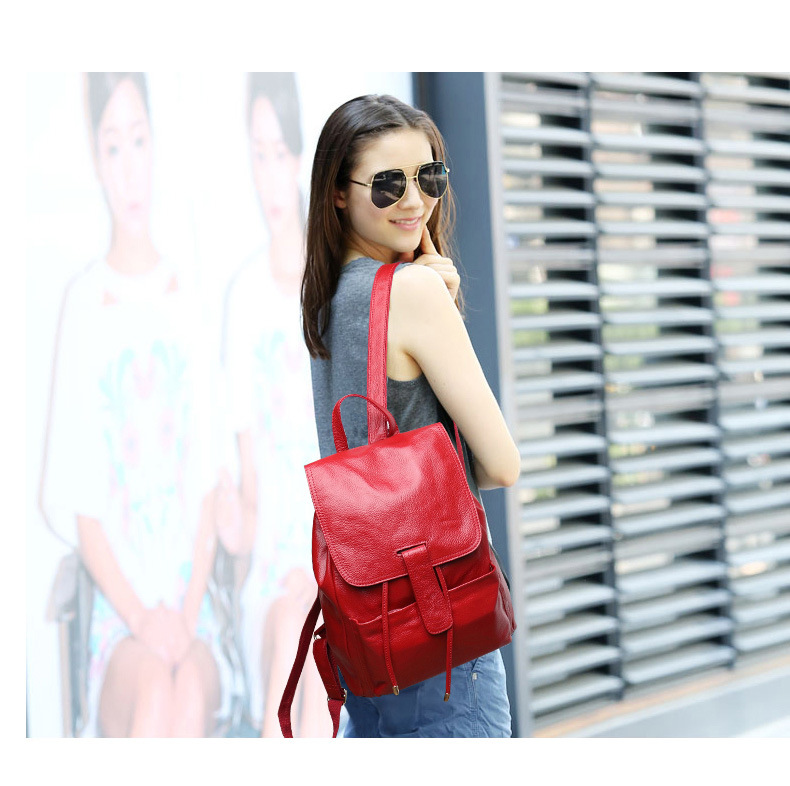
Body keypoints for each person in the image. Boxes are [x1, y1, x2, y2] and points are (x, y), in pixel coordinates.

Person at [301, 94, 521, 737]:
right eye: (388, 184)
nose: (415, 201)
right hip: (440, 635)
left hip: (367, 636)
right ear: (338, 193)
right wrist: (444, 306)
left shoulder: (325, 297)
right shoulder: (415, 292)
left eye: (429, 177)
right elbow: (501, 465)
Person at [40, 72, 231, 737]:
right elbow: (81, 506)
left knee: (185, 690)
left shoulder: (188, 297)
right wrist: (144, 619)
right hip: (117, 622)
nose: (128, 169)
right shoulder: (83, 304)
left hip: (195, 611)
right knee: (153, 689)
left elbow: (208, 483)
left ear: (156, 147)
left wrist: (183, 613)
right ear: (97, 160)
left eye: (138, 141)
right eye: (112, 147)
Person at [217, 72, 330, 737]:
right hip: (271, 573)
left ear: (300, 157)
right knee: (292, 626)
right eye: (257, 155)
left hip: (339, 558)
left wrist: (323, 568)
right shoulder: (243, 299)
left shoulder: (337, 289)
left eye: (279, 152)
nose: (269, 175)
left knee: (308, 630)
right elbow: (251, 480)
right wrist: (235, 527)